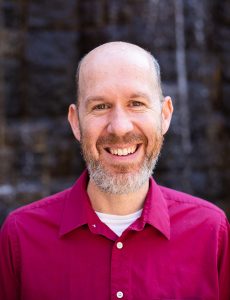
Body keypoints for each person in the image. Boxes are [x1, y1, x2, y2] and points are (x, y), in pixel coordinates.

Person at [0, 41, 229, 300]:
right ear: (75, 122)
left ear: (165, 115)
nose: (119, 127)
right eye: (100, 106)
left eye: (136, 103)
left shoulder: (212, 232)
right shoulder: (20, 237)